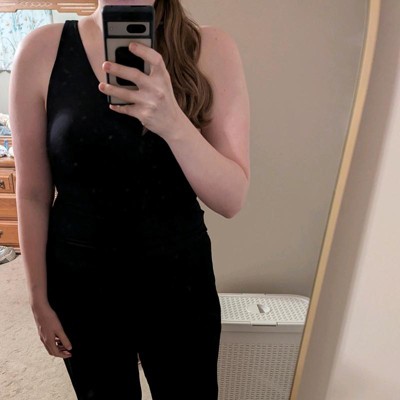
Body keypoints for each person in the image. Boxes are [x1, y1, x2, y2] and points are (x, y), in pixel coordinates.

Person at [9, 0, 250, 398]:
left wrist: (172, 122)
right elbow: (33, 192)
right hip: (80, 283)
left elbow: (231, 198)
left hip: (179, 283)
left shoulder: (209, 48)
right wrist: (37, 298)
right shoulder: (41, 49)